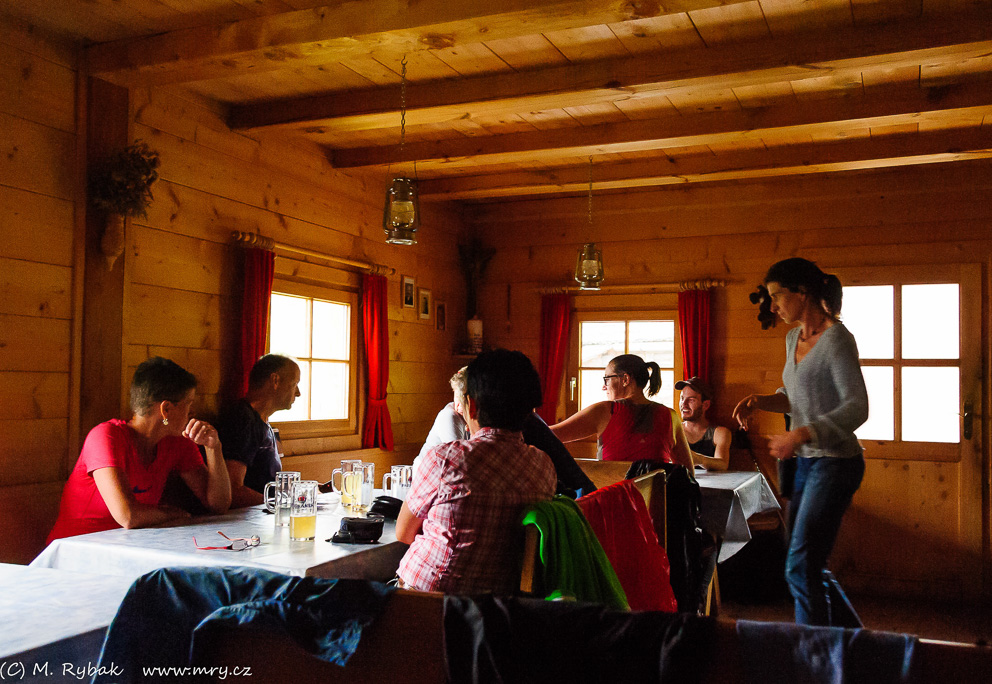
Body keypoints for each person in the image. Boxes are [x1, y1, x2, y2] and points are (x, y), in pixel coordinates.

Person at [732, 257, 868, 626]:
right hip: (805, 464)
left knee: (799, 567)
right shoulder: (793, 337)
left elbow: (857, 407)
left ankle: (815, 658)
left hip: (836, 463)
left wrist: (801, 434)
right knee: (805, 563)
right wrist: (762, 401)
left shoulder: (838, 340)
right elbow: (796, 397)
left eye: (777, 296)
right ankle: (852, 642)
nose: (773, 306)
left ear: (802, 292)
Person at [396, 350, 556, 595]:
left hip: (427, 600)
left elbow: (403, 533)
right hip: (498, 609)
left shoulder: (445, 458)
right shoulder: (543, 466)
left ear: (472, 406)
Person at [47, 357, 232, 542]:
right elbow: (128, 516)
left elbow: (219, 504)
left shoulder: (176, 442)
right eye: (189, 403)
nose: (192, 412)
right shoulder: (105, 436)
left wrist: (213, 447)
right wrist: (171, 513)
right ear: (166, 409)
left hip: (129, 547)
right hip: (75, 551)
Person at [414, 367, 596, 496]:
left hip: (574, 499)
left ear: (475, 403)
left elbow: (467, 470)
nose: (457, 405)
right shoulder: (519, 420)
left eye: (462, 399)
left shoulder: (517, 426)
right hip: (574, 501)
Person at [550, 354, 694, 470]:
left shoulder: (605, 411)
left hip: (614, 501)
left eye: (607, 379)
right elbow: (688, 472)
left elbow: (549, 435)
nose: (604, 386)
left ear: (625, 379)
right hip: (656, 503)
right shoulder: (671, 416)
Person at [216, 354, 301, 507]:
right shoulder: (242, 420)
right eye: (294, 384)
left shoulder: (264, 423)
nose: (298, 393)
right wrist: (283, 503)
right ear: (275, 380)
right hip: (245, 523)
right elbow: (233, 491)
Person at [675, 376, 731, 471]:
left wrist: (698, 459)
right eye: (682, 398)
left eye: (691, 400)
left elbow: (722, 465)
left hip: (712, 485)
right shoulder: (673, 431)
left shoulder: (719, 433)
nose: (684, 404)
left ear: (706, 405)